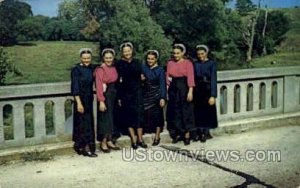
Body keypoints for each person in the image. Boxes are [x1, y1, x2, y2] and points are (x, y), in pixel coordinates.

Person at [115, 42, 147, 149]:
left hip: (137, 92)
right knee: (128, 116)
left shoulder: (138, 62)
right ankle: (133, 139)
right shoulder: (119, 64)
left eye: (128, 51)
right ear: (122, 53)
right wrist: (119, 96)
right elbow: (117, 80)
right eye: (125, 51)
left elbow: (143, 75)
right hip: (125, 92)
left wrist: (143, 78)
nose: (127, 53)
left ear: (132, 51)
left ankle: (140, 138)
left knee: (139, 115)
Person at [166, 44, 195, 145]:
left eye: (178, 53)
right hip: (173, 88)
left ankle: (187, 134)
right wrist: (167, 89)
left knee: (185, 110)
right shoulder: (170, 63)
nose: (176, 55)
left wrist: (190, 91)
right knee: (175, 110)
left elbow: (190, 77)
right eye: (174, 53)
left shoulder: (188, 63)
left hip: (184, 87)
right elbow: (168, 77)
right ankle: (178, 133)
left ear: (183, 53)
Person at [71, 48, 97, 157]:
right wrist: (79, 103)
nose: (86, 60)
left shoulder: (92, 68)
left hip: (89, 98)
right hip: (80, 99)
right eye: (84, 58)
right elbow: (75, 86)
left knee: (88, 123)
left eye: (88, 58)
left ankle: (86, 146)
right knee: (82, 123)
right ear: (81, 58)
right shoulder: (76, 69)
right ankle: (83, 147)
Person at [95, 48, 121, 153]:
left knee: (112, 118)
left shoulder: (114, 68)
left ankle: (110, 140)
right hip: (106, 95)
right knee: (105, 119)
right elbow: (99, 85)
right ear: (103, 58)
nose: (109, 60)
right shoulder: (100, 69)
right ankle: (104, 142)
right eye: (106, 58)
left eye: (110, 57)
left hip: (114, 93)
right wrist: (101, 100)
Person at [193, 44, 218, 142]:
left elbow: (213, 80)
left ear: (206, 53)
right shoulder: (195, 64)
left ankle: (206, 132)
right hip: (198, 89)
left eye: (202, 53)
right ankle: (199, 132)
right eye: (198, 54)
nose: (200, 56)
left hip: (207, 88)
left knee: (208, 111)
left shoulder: (211, 64)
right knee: (198, 111)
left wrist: (213, 95)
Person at [142, 50, 167, 146]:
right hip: (146, 94)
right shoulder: (144, 68)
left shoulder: (160, 70)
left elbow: (162, 84)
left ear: (156, 59)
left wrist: (162, 98)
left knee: (157, 116)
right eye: (148, 59)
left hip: (156, 95)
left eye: (152, 59)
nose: (150, 60)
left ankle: (157, 136)